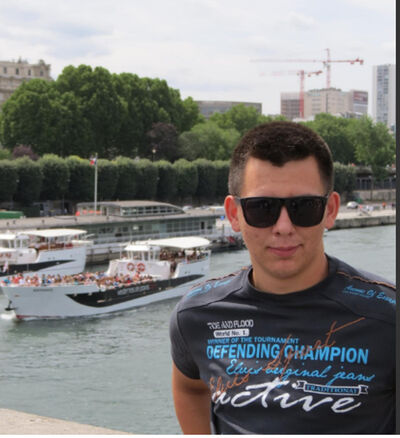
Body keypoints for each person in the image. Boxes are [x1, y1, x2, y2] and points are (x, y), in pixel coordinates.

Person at [169, 121, 395, 434]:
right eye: (262, 208)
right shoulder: (195, 316)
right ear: (234, 215)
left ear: (330, 210)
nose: (284, 227)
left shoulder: (388, 317)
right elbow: (190, 387)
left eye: (304, 207)